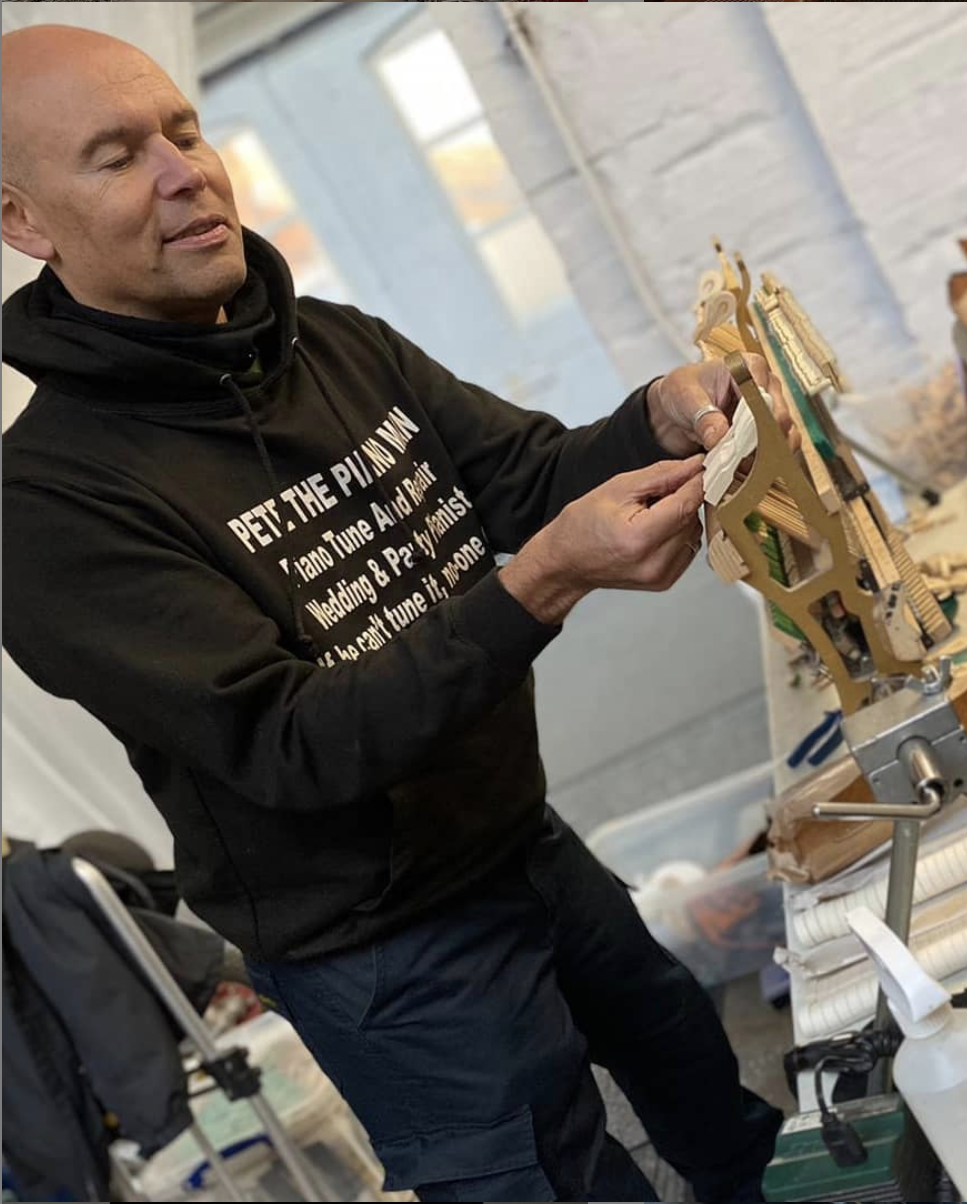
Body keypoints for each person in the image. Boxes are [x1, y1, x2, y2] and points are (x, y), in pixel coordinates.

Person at [2, 25, 796, 1202]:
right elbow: (294, 742)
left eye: (183, 130)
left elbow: (528, 475)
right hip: (384, 954)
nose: (184, 173)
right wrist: (544, 582)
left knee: (706, 1091)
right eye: (117, 158)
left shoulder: (329, 342)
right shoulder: (50, 510)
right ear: (25, 222)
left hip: (516, 839)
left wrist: (663, 416)